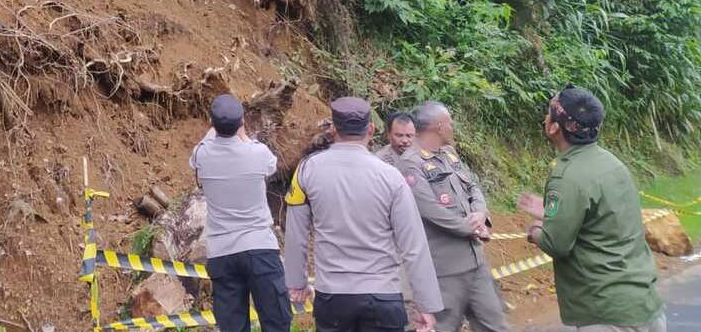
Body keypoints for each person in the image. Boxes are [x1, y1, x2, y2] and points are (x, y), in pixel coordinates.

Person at [284, 96, 443, 332]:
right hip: (383, 296)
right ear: (371, 129)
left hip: (333, 296)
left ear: (334, 129)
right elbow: (414, 245)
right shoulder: (391, 177)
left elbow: (296, 233)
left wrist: (296, 282)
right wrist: (426, 304)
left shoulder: (307, 170)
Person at [518, 86, 665, 332]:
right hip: (645, 305)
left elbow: (557, 244)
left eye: (548, 113)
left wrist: (536, 230)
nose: (545, 118)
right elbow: (603, 221)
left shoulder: (566, 176)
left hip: (606, 314)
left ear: (554, 127)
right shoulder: (612, 164)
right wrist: (553, 214)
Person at [398, 102, 509, 332]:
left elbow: (473, 187)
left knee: (495, 325)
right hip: (444, 271)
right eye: (449, 122)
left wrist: (480, 214)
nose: (453, 126)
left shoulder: (449, 154)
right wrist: (471, 228)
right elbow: (430, 210)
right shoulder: (411, 164)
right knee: (444, 327)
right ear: (439, 127)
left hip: (475, 263)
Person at [189, 93, 292, 332]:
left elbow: (200, 150)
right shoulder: (258, 153)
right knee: (277, 320)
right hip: (259, 247)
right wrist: (243, 134)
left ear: (212, 123)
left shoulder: (202, 155)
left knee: (232, 326)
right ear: (242, 121)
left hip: (222, 251)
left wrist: (217, 128)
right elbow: (271, 165)